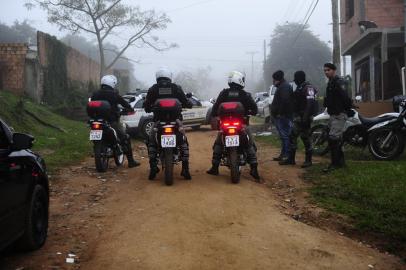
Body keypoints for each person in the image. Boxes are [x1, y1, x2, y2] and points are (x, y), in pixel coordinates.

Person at [206, 71, 260, 181]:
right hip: (241, 125)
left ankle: (215, 167)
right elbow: (254, 109)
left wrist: (215, 115)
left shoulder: (224, 93)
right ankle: (254, 169)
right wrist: (249, 111)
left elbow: (215, 109)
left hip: (225, 125)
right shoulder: (245, 94)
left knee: (219, 143)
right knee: (249, 143)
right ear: (239, 80)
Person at [144, 67, 193, 180]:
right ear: (169, 77)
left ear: (158, 77)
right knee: (183, 142)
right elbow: (186, 102)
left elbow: (147, 105)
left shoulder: (153, 88)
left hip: (158, 122)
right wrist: (188, 104)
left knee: (151, 141)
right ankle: (185, 169)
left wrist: (148, 107)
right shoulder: (176, 87)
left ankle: (153, 168)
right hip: (175, 121)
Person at [91, 75, 140, 168]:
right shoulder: (113, 94)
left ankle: (99, 148)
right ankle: (131, 161)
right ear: (112, 84)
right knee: (125, 137)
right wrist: (130, 108)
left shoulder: (95, 93)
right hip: (111, 121)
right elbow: (124, 103)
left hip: (96, 120)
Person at [279, 71, 318, 168]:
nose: (295, 81)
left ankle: (308, 160)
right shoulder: (300, 87)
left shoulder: (308, 88)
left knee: (306, 138)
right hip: (298, 117)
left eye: (296, 79)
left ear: (299, 78)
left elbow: (310, 102)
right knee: (292, 136)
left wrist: (305, 117)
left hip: (305, 117)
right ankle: (291, 159)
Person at [323, 63, 352, 173]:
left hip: (339, 113)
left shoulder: (339, 81)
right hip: (333, 114)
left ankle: (335, 164)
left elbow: (345, 97)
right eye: (325, 70)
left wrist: (346, 110)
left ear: (334, 70)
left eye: (328, 70)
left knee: (333, 138)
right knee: (336, 139)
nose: (326, 72)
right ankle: (340, 162)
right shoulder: (331, 82)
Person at [270, 70, 294, 162]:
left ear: (277, 79)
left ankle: (286, 155)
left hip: (283, 116)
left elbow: (285, 101)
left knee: (285, 136)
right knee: (283, 136)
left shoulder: (284, 87)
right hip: (281, 116)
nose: (273, 81)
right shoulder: (282, 86)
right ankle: (283, 154)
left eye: (274, 79)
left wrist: (280, 113)